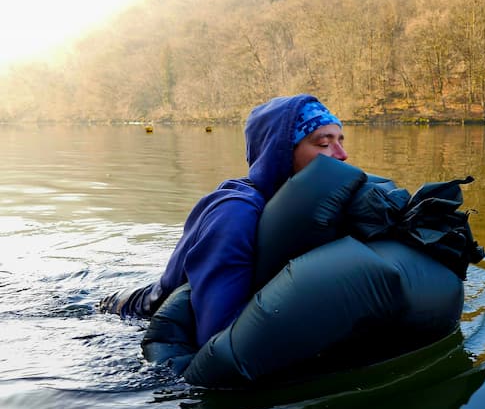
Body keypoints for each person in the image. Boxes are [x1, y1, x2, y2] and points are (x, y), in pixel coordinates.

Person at [99, 94, 347, 347]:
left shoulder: (308, 210)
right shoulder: (235, 214)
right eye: (324, 144)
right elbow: (217, 337)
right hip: (128, 319)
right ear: (281, 154)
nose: (342, 154)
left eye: (340, 140)